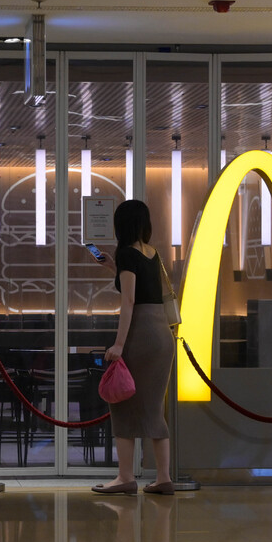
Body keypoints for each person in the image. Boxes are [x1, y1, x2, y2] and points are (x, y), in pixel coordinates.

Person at [92, 199, 176, 495]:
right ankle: (163, 478)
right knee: (153, 408)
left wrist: (118, 344)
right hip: (161, 334)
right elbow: (141, 288)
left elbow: (129, 301)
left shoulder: (127, 252)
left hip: (141, 333)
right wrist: (112, 268)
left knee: (122, 401)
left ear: (122, 224)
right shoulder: (152, 253)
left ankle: (125, 477)